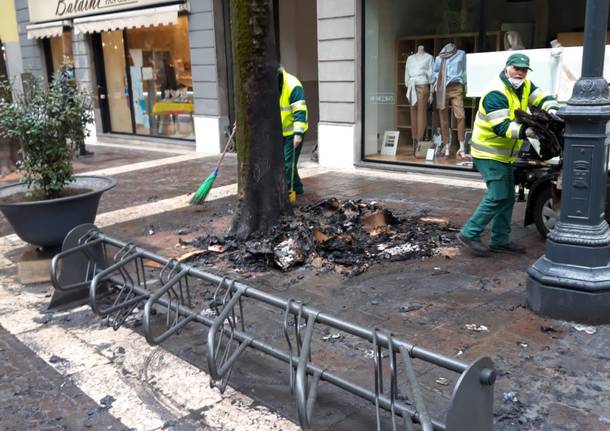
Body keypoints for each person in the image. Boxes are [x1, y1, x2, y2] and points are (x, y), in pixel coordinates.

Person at [458, 53, 560, 256]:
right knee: (498, 196)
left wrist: (553, 110)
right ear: (507, 68)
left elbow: (543, 98)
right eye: (516, 68)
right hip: (488, 153)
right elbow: (501, 128)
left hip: (504, 155)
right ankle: (469, 233)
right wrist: (529, 132)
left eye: (523, 69)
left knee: (507, 197)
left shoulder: (525, 86)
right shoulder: (495, 93)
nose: (520, 72)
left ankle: (500, 239)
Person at [278, 66, 308, 196]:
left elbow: (300, 111)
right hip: (280, 132)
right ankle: (298, 188)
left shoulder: (293, 85)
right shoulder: (271, 84)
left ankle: (286, 192)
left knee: (287, 164)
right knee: (289, 163)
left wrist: (298, 134)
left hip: (293, 133)